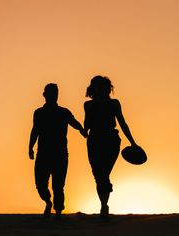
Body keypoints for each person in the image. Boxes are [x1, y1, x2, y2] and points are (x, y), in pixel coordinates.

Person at [29, 83, 87, 220]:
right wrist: (30, 147)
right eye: (50, 93)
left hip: (60, 154)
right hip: (43, 153)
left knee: (58, 185)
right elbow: (35, 130)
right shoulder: (39, 113)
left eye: (55, 92)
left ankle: (58, 212)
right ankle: (48, 202)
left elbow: (73, 122)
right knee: (40, 184)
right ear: (44, 95)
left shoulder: (63, 112)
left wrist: (81, 130)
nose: (53, 95)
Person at [83, 76, 138, 219]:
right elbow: (86, 124)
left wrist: (132, 142)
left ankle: (103, 206)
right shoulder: (88, 105)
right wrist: (84, 130)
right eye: (97, 85)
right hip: (94, 140)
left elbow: (122, 123)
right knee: (98, 174)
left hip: (111, 140)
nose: (100, 88)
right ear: (93, 88)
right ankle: (104, 206)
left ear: (107, 88)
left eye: (102, 85)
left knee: (103, 173)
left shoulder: (114, 103)